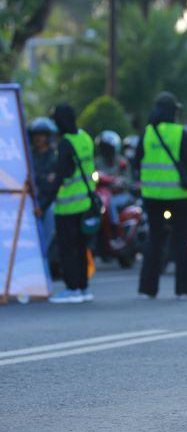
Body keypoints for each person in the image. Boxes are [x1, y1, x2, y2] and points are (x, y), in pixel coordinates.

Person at [134, 92, 187, 299]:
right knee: (181, 240)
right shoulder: (180, 132)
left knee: (154, 240)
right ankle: (185, 290)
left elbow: (136, 161)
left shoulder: (147, 133)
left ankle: (147, 290)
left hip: (152, 195)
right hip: (178, 195)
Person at [35, 104, 96, 303]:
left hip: (68, 206)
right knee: (81, 247)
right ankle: (83, 288)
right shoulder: (85, 138)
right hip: (86, 202)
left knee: (67, 249)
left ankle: (72, 289)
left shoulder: (65, 143)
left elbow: (60, 177)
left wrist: (43, 206)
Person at [95, 130, 133, 242]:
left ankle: (115, 230)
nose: (106, 151)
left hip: (119, 195)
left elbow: (128, 180)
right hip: (101, 195)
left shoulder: (122, 162)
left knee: (110, 203)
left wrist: (120, 182)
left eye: (108, 148)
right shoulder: (97, 162)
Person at [28, 117, 58, 251]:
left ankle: (43, 251)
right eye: (35, 135)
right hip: (30, 198)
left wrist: (40, 178)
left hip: (48, 200)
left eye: (42, 134)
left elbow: (52, 182)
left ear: (48, 137)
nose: (38, 138)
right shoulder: (28, 156)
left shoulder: (54, 157)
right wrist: (44, 178)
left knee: (51, 211)